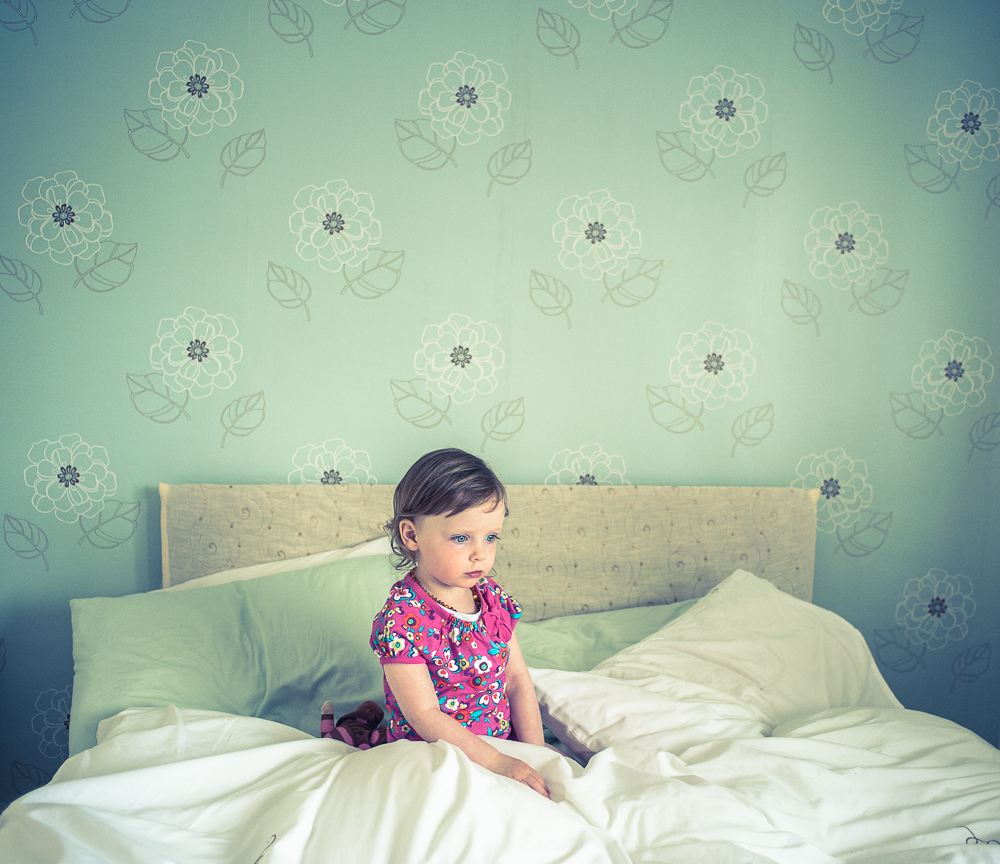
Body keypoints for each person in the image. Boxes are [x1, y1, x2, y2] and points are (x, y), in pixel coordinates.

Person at [322, 447, 550, 799]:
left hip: (501, 745)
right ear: (412, 536)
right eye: (461, 538)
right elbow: (424, 715)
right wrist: (497, 763)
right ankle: (357, 727)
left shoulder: (491, 601)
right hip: (433, 752)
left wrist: (536, 755)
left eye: (491, 537)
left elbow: (517, 680)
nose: (481, 553)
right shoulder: (401, 621)